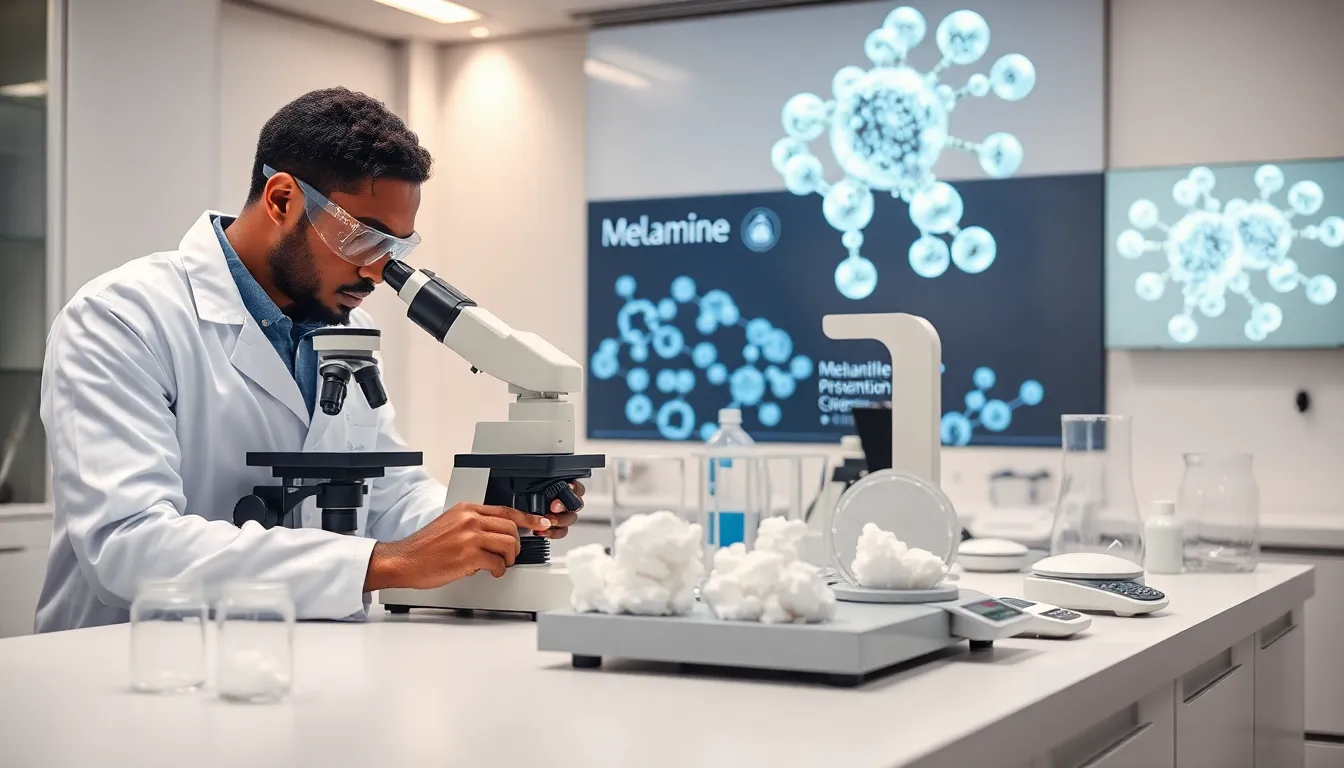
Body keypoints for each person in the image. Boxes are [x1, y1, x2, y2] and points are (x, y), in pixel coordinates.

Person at [35, 87, 582, 633]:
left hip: (296, 655)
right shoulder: (120, 319)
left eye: (394, 250)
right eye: (363, 239)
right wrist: (382, 563)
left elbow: (390, 496)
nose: (375, 272)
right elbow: (128, 546)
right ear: (281, 200)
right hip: (127, 658)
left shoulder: (348, 331)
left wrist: (495, 519)